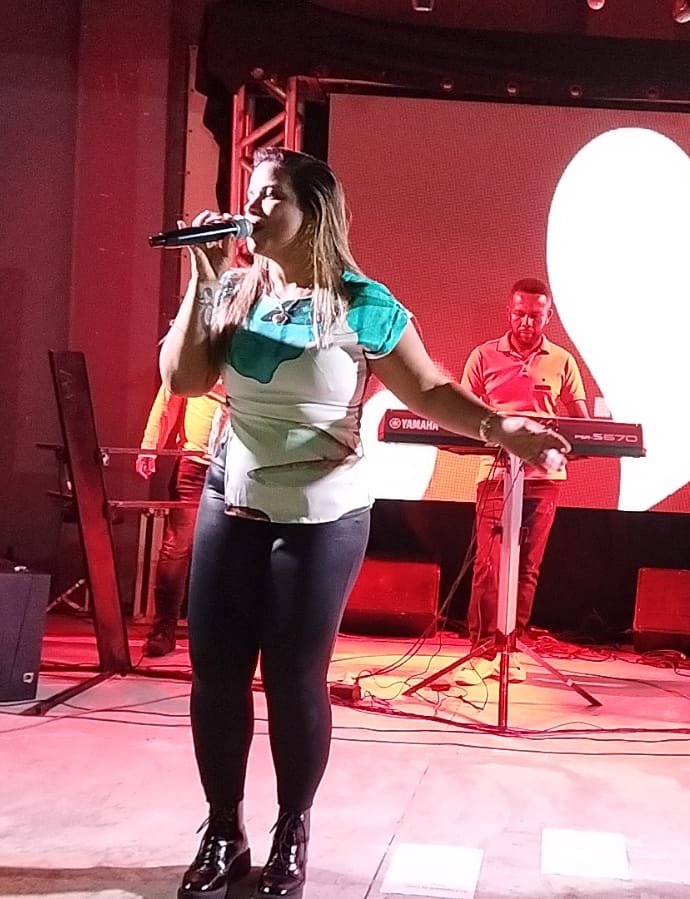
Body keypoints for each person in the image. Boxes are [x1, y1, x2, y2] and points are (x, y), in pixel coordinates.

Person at [161, 147, 568, 899]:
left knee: (292, 677)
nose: (251, 209)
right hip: (231, 495)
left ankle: (291, 830)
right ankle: (223, 830)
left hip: (320, 513)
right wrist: (202, 277)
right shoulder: (236, 289)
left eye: (270, 196)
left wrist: (502, 428)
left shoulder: (362, 302)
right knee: (216, 674)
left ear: (312, 211)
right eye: (250, 194)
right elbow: (184, 378)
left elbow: (432, 388)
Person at [457, 278, 588, 685]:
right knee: (489, 565)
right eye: (519, 314)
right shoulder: (483, 356)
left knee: (526, 567)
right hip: (496, 475)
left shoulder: (562, 360)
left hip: (544, 479)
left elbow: (581, 424)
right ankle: (482, 651)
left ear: (548, 316)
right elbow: (461, 416)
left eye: (535, 315)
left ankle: (509, 650)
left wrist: (561, 439)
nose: (527, 322)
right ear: (509, 312)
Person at [134, 380, 226, 657]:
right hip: (195, 463)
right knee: (177, 547)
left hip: (238, 464)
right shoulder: (198, 360)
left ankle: (221, 634)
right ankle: (163, 630)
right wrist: (150, 445)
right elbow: (169, 397)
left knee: (231, 551)